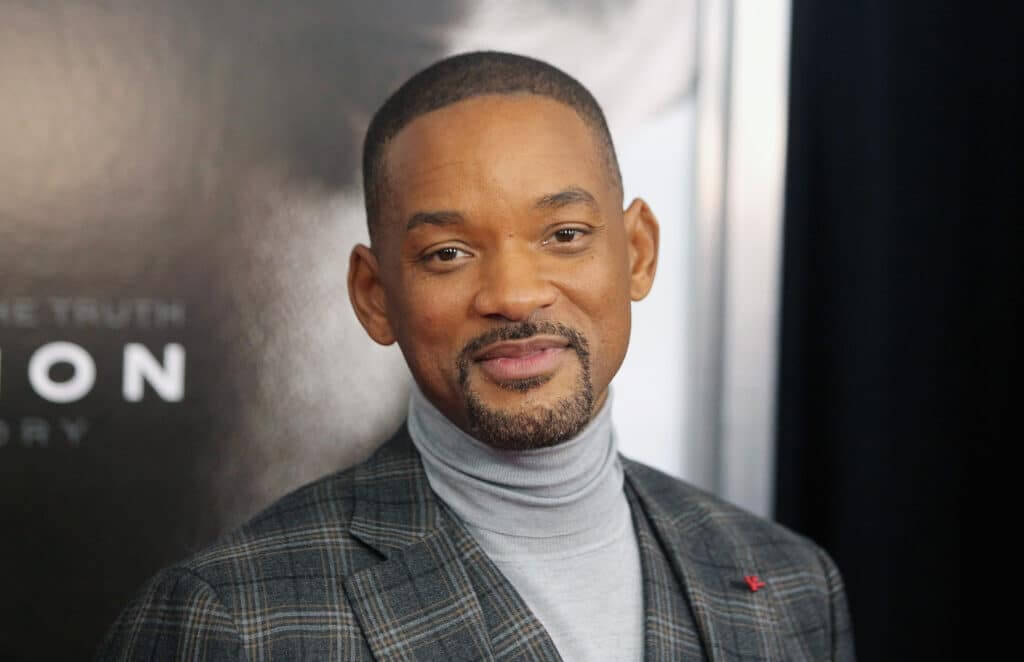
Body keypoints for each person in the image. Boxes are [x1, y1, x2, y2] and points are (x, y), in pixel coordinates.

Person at [97, 51, 854, 661]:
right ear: (374, 295)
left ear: (638, 254)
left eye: (564, 236)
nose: (516, 296)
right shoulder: (233, 620)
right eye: (448, 253)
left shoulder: (790, 584)